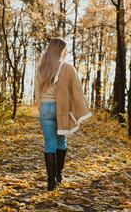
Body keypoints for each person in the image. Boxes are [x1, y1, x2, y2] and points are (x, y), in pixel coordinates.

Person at [35, 38, 92, 191]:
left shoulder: (41, 67)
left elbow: (37, 93)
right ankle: (59, 175)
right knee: (61, 142)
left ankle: (50, 182)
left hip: (45, 108)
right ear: (60, 50)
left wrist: (43, 109)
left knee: (49, 144)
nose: (65, 52)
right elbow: (76, 90)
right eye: (64, 50)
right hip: (61, 108)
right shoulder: (67, 67)